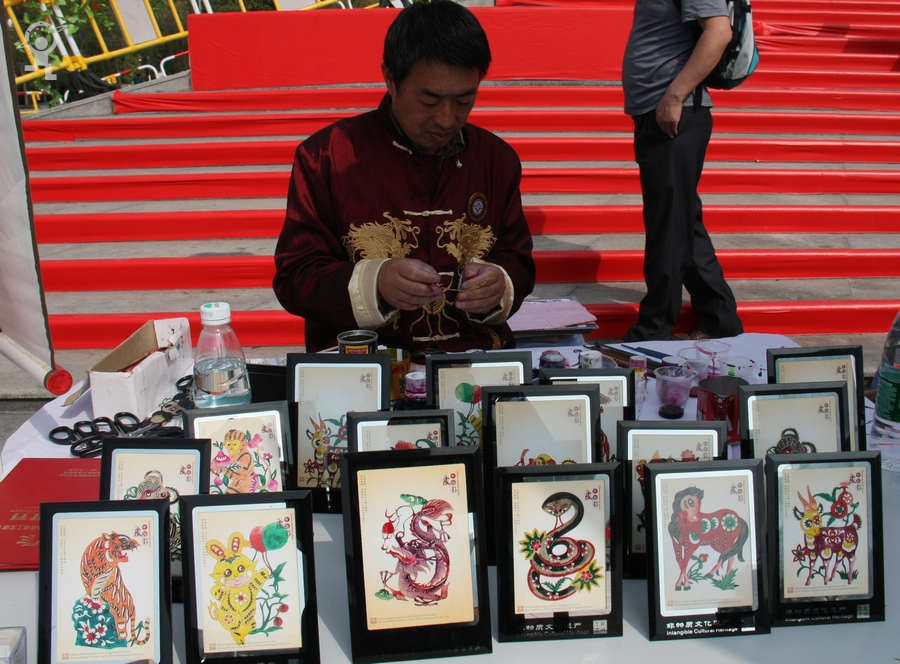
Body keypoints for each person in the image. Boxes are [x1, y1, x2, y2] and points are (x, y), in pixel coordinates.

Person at [273, 0, 535, 353]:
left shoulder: (495, 160)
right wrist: (374, 282)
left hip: (473, 360)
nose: (446, 119)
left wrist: (500, 283)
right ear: (390, 79)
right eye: (429, 101)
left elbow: (517, 258)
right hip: (366, 366)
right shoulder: (328, 157)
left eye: (464, 101)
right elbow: (295, 277)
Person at [621, 0, 744, 341]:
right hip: (659, 111)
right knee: (682, 221)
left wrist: (674, 96)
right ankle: (719, 318)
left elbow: (718, 31)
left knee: (668, 227)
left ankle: (653, 329)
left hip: (674, 114)